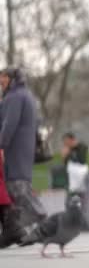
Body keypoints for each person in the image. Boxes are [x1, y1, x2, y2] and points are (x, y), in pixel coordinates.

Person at [0, 67, 47, 248]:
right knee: (16, 189)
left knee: (18, 188)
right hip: (23, 149)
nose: (1, 82)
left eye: (3, 78)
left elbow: (8, 124)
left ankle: (41, 220)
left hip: (15, 149)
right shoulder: (25, 95)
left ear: (11, 78)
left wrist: (1, 145)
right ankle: (16, 230)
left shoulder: (14, 97)